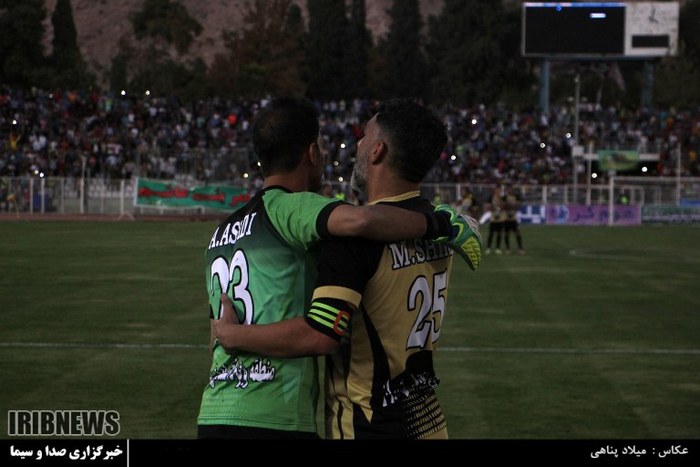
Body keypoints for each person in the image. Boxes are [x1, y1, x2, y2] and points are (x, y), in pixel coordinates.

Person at [197, 96, 479, 439]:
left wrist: (232, 335)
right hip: (426, 420)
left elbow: (320, 332)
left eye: (364, 137)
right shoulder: (439, 236)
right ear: (311, 153)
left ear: (377, 151)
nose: (355, 145)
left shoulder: (349, 239)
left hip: (363, 424)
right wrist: (443, 223)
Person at [502, 185, 525, 255]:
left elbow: (518, 206)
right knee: (506, 234)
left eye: (511, 189)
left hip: (514, 219)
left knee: (518, 233)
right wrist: (512, 205)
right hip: (506, 218)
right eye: (509, 189)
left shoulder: (516, 196)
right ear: (507, 190)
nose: (510, 190)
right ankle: (508, 248)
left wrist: (510, 205)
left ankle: (520, 249)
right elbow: (503, 206)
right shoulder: (505, 197)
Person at [485, 187, 505, 255]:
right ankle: (488, 248)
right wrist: (493, 207)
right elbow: (488, 207)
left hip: (501, 219)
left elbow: (504, 207)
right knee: (491, 234)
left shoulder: (502, 198)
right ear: (494, 191)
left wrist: (500, 204)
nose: (498, 192)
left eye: (499, 191)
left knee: (499, 234)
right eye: (497, 191)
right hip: (493, 219)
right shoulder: (491, 198)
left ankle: (497, 248)